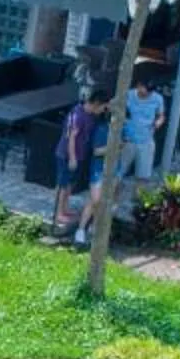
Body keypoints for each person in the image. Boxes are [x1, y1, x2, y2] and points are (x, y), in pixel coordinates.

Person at [52, 91, 107, 244]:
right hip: (67, 155)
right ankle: (58, 213)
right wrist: (72, 158)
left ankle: (65, 208)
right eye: (102, 107)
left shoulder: (91, 116)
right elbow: (71, 138)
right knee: (63, 184)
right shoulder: (76, 115)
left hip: (80, 154)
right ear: (96, 103)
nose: (102, 111)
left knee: (71, 184)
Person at [120, 74, 168, 185]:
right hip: (128, 140)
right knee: (118, 173)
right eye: (147, 90)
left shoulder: (157, 99)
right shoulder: (128, 95)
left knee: (143, 177)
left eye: (151, 91)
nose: (149, 93)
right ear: (139, 86)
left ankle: (138, 195)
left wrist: (158, 123)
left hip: (146, 141)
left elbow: (161, 116)